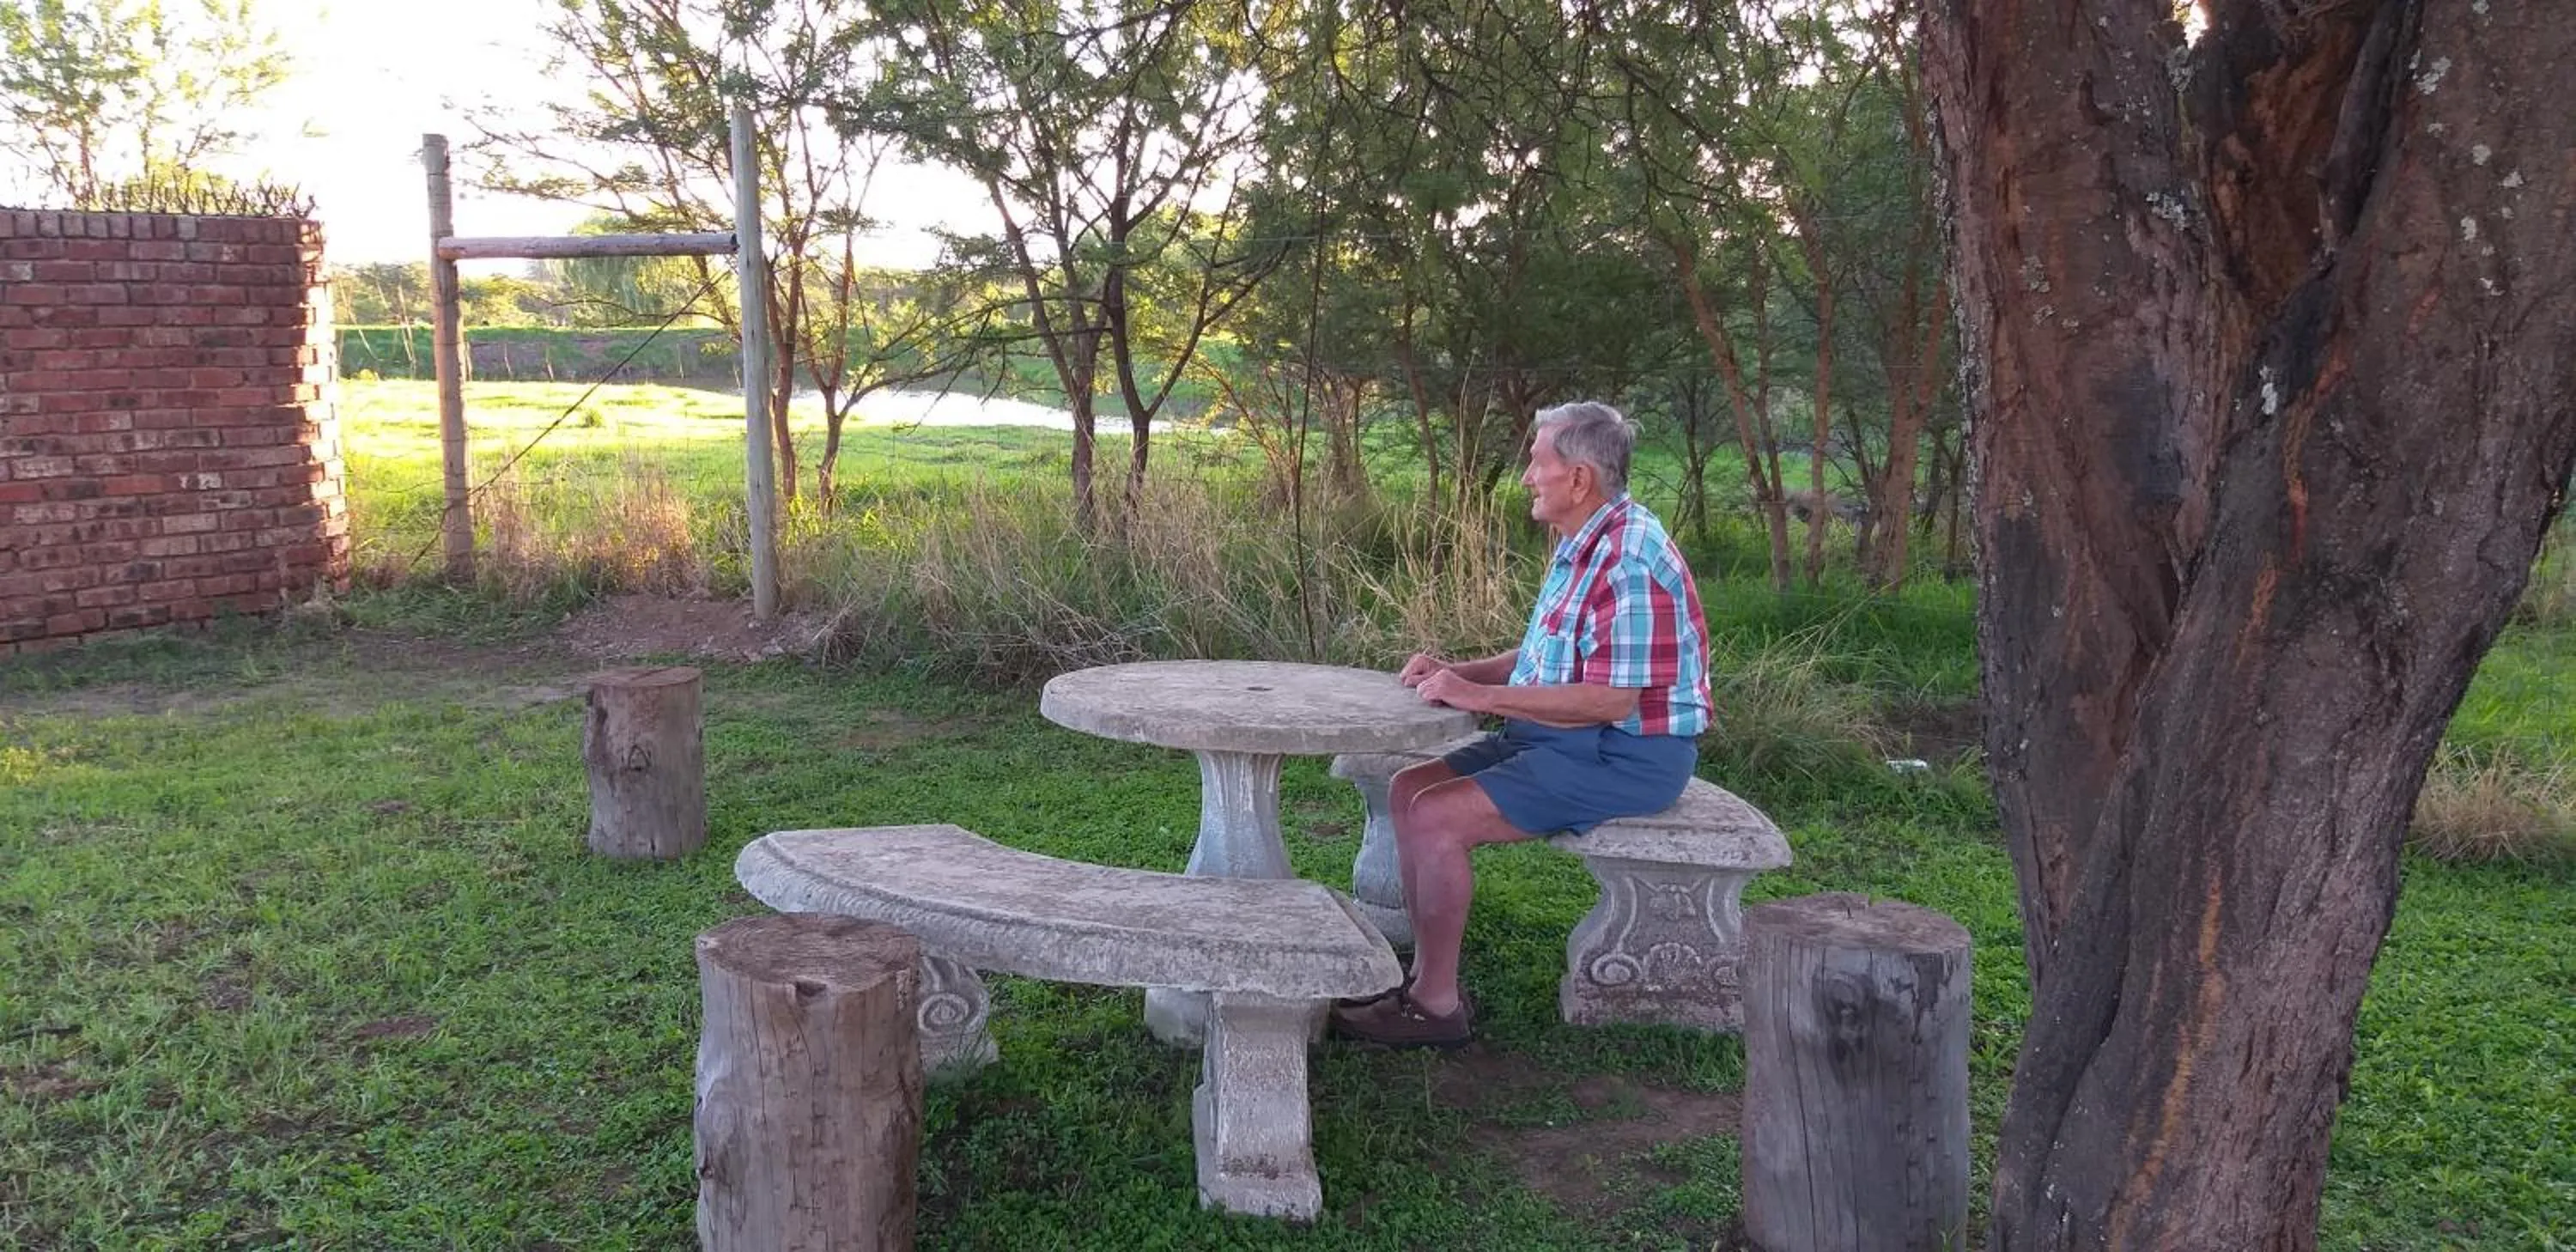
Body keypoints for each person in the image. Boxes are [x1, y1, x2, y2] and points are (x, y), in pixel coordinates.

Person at [1330, 400, 1711, 1048]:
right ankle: (1424, 978)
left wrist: (1481, 698)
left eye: (1538, 464)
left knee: (1436, 816)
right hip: (1565, 738)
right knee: (1407, 790)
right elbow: (1544, 657)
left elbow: (1610, 701)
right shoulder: (1587, 540)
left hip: (1626, 755)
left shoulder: (1628, 559)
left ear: (1579, 478)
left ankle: (1436, 1008)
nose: (1528, 477)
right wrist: (1458, 673)